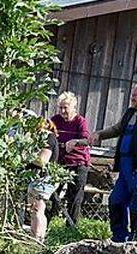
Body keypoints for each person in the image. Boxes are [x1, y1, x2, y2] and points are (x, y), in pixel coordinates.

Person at [78, 81, 137, 242]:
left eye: (136, 95)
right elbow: (118, 129)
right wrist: (99, 135)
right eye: (132, 95)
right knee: (116, 200)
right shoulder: (131, 112)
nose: (132, 98)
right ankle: (119, 238)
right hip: (126, 167)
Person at [50, 91, 92, 228]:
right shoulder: (55, 120)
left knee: (75, 197)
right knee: (51, 193)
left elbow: (87, 140)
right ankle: (45, 225)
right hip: (60, 162)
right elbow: (46, 132)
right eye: (61, 107)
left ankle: (71, 228)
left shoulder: (80, 121)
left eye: (65, 107)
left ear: (73, 107)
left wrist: (75, 142)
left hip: (78, 162)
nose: (63, 111)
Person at [26, 116, 59, 244]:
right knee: (35, 210)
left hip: (44, 179)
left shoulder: (48, 138)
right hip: (39, 179)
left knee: (38, 210)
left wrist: (26, 159)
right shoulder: (44, 138)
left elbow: (42, 161)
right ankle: (35, 239)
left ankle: (38, 240)